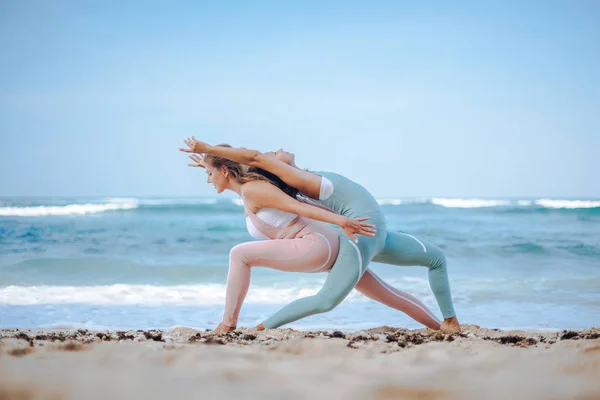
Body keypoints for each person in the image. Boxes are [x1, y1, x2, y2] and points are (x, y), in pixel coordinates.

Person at [181, 138, 461, 334]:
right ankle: (445, 326)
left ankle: (240, 326)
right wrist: (210, 163)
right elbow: (250, 160)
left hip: (354, 231)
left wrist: (208, 151)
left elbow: (254, 159)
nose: (279, 150)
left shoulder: (292, 180)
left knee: (242, 256)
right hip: (367, 230)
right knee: (389, 291)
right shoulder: (278, 182)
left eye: (209, 174)